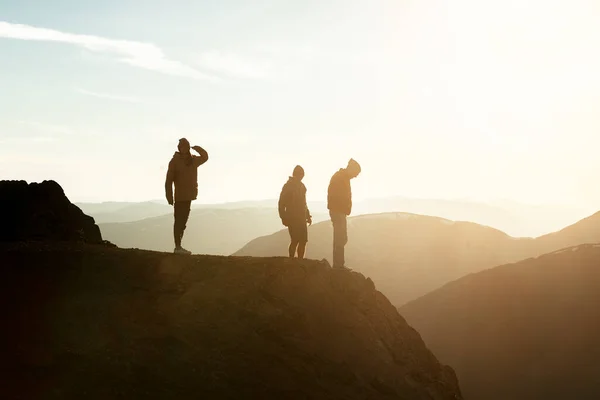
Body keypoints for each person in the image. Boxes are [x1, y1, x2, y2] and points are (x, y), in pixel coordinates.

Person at [165, 138, 209, 254]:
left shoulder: (193, 160)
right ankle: (177, 247)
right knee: (178, 222)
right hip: (179, 197)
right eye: (181, 146)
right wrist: (169, 196)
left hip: (188, 196)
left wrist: (198, 148)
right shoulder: (174, 161)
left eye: (185, 146)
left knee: (183, 223)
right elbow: (168, 180)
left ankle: (179, 247)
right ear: (179, 148)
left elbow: (205, 157)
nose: (183, 148)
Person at [327, 158, 361, 269]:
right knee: (340, 237)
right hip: (338, 211)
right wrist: (342, 208)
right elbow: (334, 195)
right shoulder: (339, 177)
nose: (355, 176)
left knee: (341, 238)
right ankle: (338, 265)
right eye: (356, 173)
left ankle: (339, 263)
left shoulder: (342, 178)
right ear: (351, 169)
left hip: (339, 211)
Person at [278, 165, 312, 259]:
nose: (301, 177)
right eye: (300, 175)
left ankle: (300, 260)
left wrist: (307, 215)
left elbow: (304, 203)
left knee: (303, 240)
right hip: (292, 217)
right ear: (296, 174)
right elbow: (281, 203)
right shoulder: (288, 186)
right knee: (295, 240)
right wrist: (283, 217)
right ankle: (292, 260)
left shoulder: (302, 186)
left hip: (301, 217)